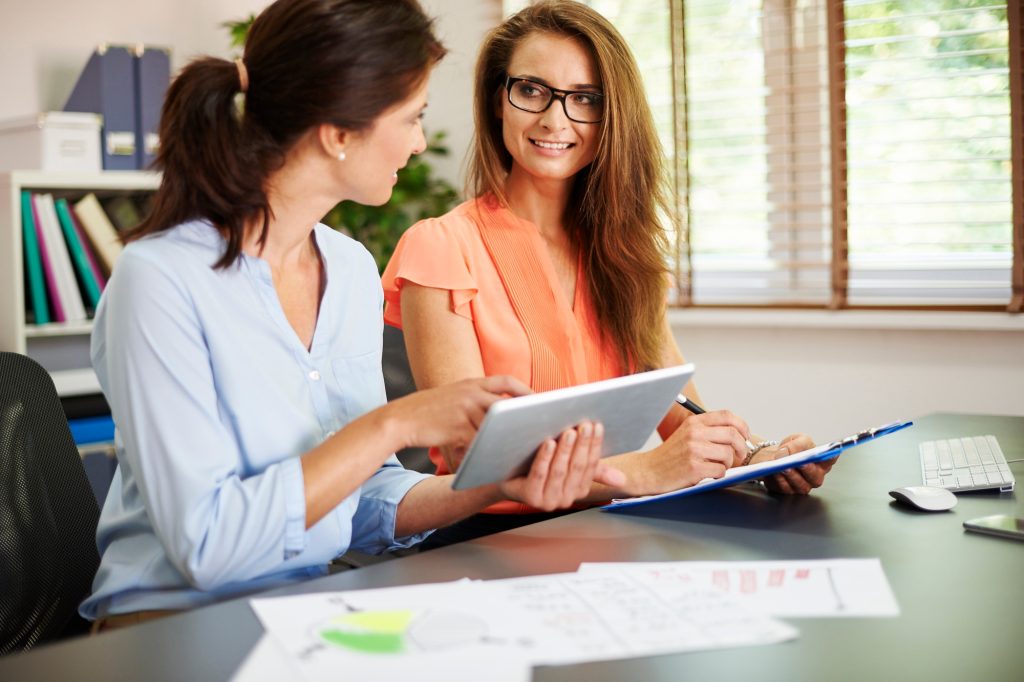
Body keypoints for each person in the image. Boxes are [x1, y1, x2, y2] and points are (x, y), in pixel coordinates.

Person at [80, 0, 624, 631]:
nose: (421, 142)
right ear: (338, 133)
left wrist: (501, 486)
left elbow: (366, 501)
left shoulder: (350, 269)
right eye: (412, 117)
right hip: (169, 624)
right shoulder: (160, 280)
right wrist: (392, 425)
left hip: (311, 611)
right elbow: (208, 545)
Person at [381, 0, 834, 548]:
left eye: (585, 100)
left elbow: (682, 418)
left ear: (611, 114)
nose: (554, 119)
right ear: (497, 99)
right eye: (531, 90)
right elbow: (469, 458)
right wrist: (638, 474)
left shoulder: (623, 253)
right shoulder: (439, 245)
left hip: (612, 531)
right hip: (488, 538)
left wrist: (757, 456)